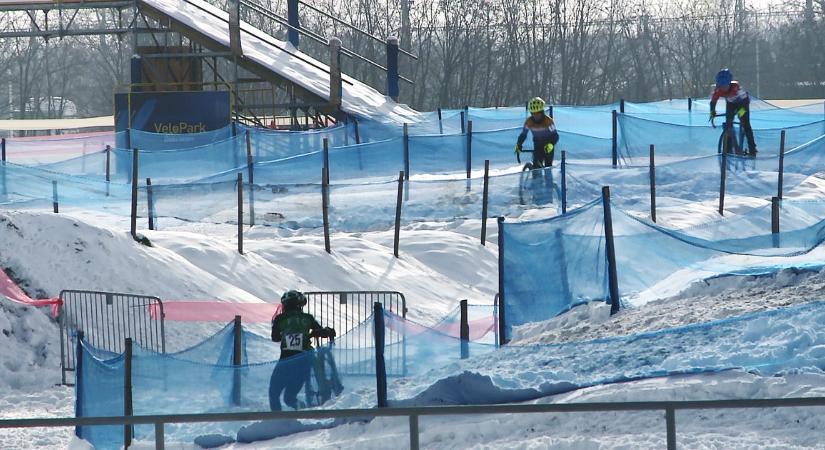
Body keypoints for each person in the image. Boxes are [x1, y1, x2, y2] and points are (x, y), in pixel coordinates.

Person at [269, 290, 336, 411]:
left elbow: (275, 337)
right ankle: (302, 409)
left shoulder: (280, 318)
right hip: (304, 360)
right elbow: (321, 332)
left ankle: (276, 420)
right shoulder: (307, 318)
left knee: (274, 393)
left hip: (285, 360)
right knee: (289, 397)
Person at [710, 69, 757, 155]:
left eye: (725, 86)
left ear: (729, 83)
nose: (723, 89)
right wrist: (712, 112)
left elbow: (745, 103)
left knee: (745, 124)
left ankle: (752, 148)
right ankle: (728, 149)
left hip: (742, 103)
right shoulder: (718, 90)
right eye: (721, 86)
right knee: (728, 125)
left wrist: (740, 114)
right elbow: (713, 101)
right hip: (730, 103)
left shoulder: (736, 88)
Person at [515, 97, 560, 169]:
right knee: (536, 168)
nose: (536, 116)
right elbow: (523, 135)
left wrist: (551, 144)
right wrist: (519, 144)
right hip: (537, 145)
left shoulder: (548, 121)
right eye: (533, 113)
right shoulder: (529, 121)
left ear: (542, 112)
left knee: (548, 167)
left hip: (548, 145)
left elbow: (555, 135)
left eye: (538, 113)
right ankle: (535, 178)